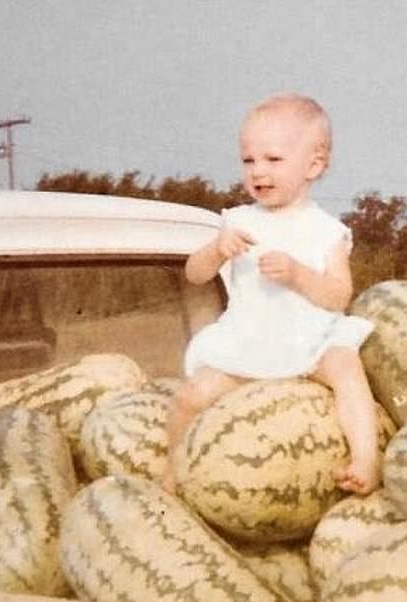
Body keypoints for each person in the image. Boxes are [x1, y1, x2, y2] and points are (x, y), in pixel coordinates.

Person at [163, 93, 380, 496]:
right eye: (249, 160)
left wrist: (299, 275)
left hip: (307, 339)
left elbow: (338, 295)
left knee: (346, 367)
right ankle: (175, 467)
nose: (258, 171)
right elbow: (194, 274)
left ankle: (365, 458)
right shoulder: (237, 220)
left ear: (313, 164)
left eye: (273, 160)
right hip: (249, 340)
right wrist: (215, 251)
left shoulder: (326, 230)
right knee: (193, 394)